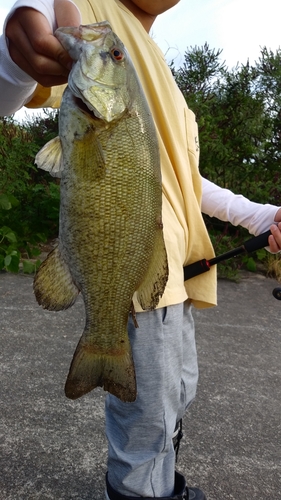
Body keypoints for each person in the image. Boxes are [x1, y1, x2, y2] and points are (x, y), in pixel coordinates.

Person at [1, 1, 281, 499]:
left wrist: (259, 215)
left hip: (176, 273)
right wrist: (14, 50)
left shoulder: (155, 68)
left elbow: (183, 177)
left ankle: (163, 479)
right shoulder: (89, 12)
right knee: (146, 421)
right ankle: (142, 491)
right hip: (128, 265)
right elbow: (25, 61)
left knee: (176, 396)